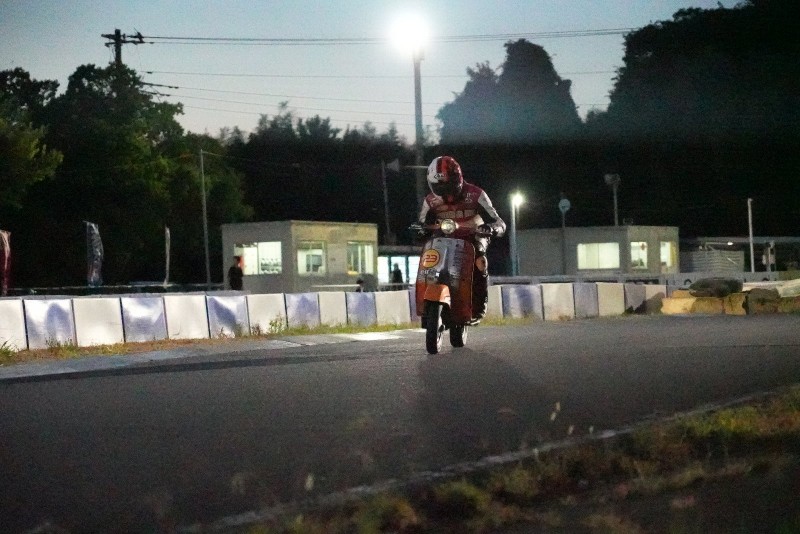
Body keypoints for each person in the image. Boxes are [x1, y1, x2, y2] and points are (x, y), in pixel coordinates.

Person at [415, 155, 506, 322]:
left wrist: (491, 228)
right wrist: (419, 230)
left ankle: (479, 305)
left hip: (474, 236)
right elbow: (422, 224)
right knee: (428, 256)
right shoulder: (430, 201)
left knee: (480, 261)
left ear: (457, 179)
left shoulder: (476, 194)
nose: (445, 192)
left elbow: (498, 222)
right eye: (438, 187)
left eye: (447, 185)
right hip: (443, 237)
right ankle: (424, 301)